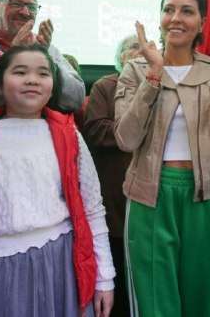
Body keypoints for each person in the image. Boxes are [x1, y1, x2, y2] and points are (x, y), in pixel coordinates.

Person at [114, 0, 210, 317]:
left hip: (208, 194)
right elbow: (125, 139)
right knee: (154, 300)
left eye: (187, 11)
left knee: (202, 297)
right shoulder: (137, 70)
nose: (176, 17)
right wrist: (155, 75)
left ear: (202, 22)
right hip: (150, 195)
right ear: (159, 18)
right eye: (168, 9)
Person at [0, 44, 115, 317]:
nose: (32, 80)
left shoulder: (69, 135)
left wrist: (104, 277)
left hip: (62, 264)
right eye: (20, 72)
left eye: (43, 73)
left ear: (53, 84)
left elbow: (92, 208)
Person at [82, 34, 141, 317]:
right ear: (120, 58)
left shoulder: (157, 89)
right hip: (115, 188)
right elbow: (94, 129)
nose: (140, 55)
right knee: (116, 261)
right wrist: (133, 130)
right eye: (133, 50)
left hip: (148, 188)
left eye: (145, 51)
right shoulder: (106, 86)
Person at [0, 0, 85, 112]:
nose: (25, 12)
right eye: (16, 4)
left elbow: (75, 99)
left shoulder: (45, 47)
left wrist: (45, 56)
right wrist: (13, 55)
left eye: (32, 7)